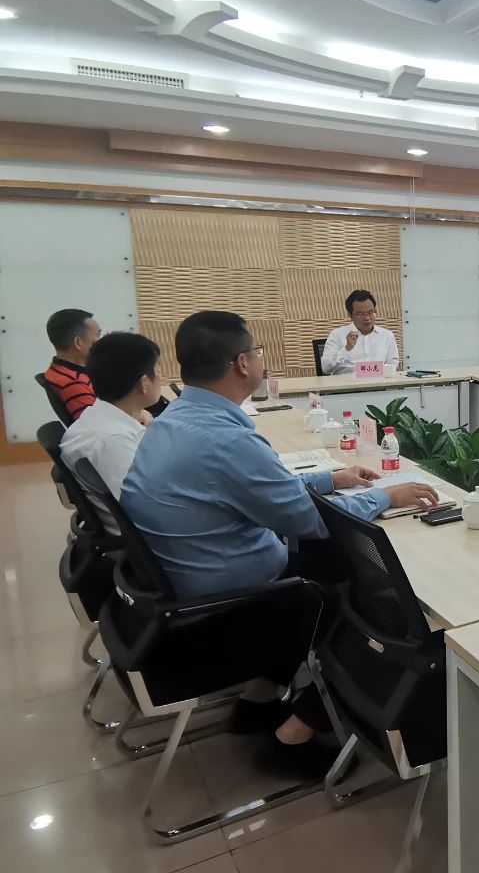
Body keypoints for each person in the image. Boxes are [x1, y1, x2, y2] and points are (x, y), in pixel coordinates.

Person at [122, 311, 440, 769]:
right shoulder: (225, 439)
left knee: (328, 564)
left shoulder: (175, 419)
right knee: (371, 606)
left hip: (185, 586)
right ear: (241, 364)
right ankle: (295, 734)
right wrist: (385, 496)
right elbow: (312, 521)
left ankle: (258, 699)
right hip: (226, 607)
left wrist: (331, 478)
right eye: (256, 352)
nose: (259, 359)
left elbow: (260, 490)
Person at [60, 332, 161, 529]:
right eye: (158, 372)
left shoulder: (96, 417)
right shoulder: (113, 441)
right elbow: (150, 510)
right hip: (153, 537)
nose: (161, 378)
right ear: (144, 383)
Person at [42, 308, 103, 421]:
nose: (102, 341)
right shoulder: (72, 383)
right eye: (98, 335)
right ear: (78, 342)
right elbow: (98, 425)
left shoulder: (63, 371)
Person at [321, 290, 399, 375]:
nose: (367, 318)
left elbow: (392, 363)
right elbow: (325, 367)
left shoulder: (387, 335)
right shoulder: (337, 335)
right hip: (347, 382)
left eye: (370, 312)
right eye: (360, 313)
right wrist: (346, 348)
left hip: (378, 382)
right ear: (350, 315)